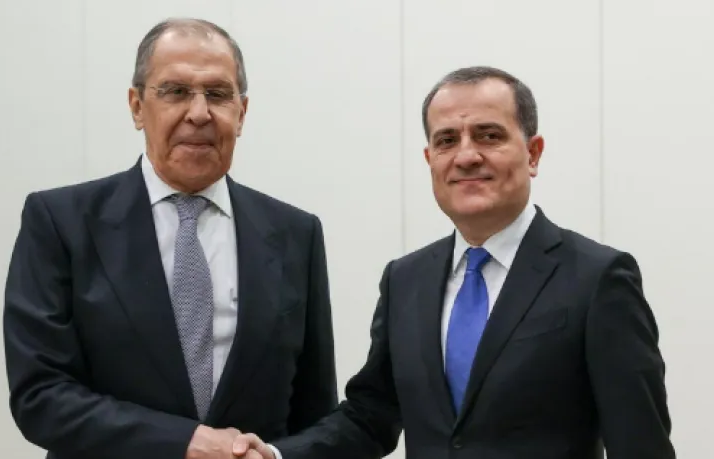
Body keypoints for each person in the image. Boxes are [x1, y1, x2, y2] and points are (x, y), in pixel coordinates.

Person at [233, 66, 675, 459]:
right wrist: (277, 455)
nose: (466, 156)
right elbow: (371, 415)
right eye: (447, 140)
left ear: (533, 153)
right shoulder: (405, 280)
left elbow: (640, 445)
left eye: (489, 135)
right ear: (431, 160)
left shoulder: (598, 279)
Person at [2, 18, 338, 459]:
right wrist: (183, 442)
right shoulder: (61, 223)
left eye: (217, 94)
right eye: (176, 91)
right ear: (137, 107)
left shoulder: (296, 234)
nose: (198, 113)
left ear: (241, 113)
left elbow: (316, 417)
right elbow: (40, 396)